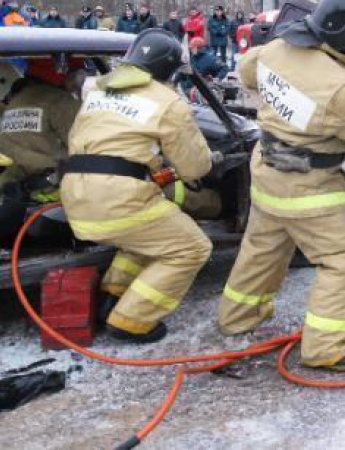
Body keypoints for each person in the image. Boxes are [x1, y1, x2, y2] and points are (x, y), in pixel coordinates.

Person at [217, 0, 345, 372]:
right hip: (309, 187)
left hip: (266, 173)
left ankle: (237, 318)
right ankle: (327, 347)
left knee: (263, 247)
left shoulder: (275, 50)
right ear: (339, 35)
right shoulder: (343, 88)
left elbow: (248, 70)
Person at [60, 29, 219, 343]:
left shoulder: (98, 92)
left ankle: (111, 295)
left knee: (150, 234)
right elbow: (195, 167)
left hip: (76, 195)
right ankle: (131, 320)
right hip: (117, 198)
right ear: (170, 70)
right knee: (191, 248)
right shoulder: (167, 102)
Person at [0, 59, 84, 240]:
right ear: (62, 73)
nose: (79, 82)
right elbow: (88, 147)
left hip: (11, 191)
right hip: (48, 197)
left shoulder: (16, 100)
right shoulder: (62, 103)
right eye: (78, 75)